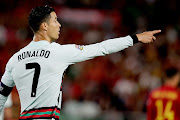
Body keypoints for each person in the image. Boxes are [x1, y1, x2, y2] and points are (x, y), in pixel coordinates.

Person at [0, 5, 161, 120]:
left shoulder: (15, 59)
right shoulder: (59, 52)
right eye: (55, 20)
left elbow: (1, 95)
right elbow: (101, 48)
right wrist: (135, 38)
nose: (59, 24)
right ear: (44, 26)